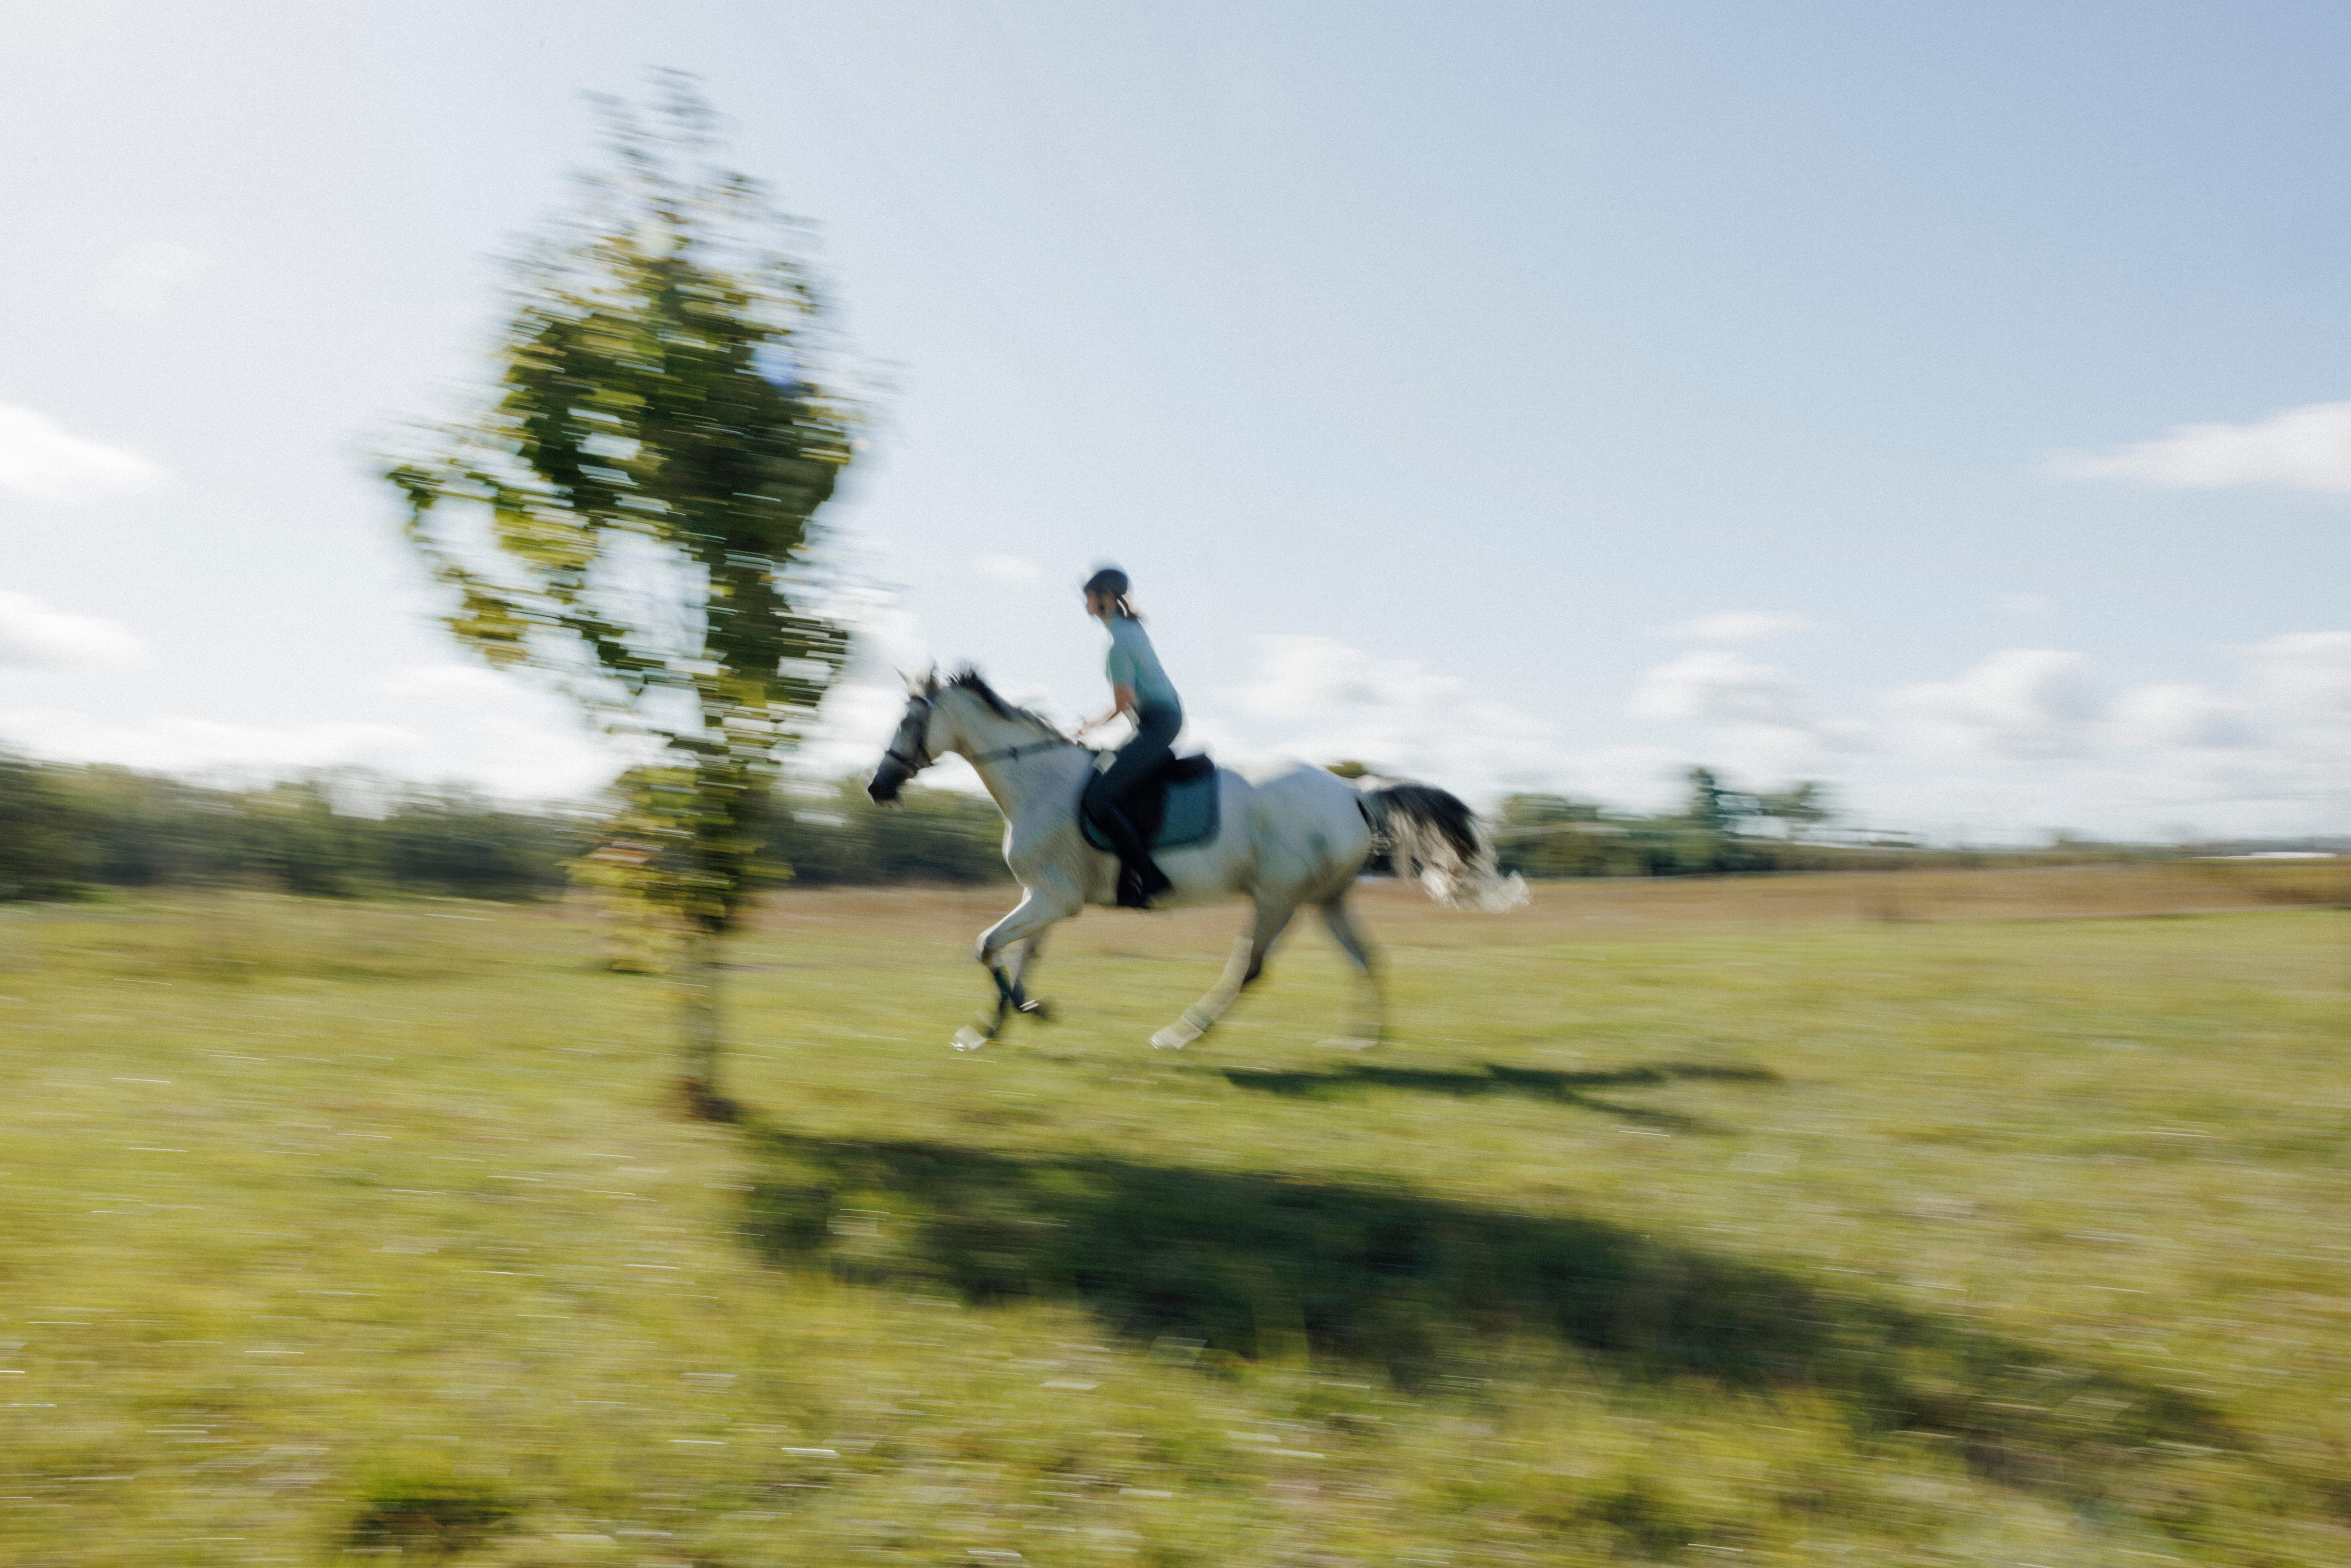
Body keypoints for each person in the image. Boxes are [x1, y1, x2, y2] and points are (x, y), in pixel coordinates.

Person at [1074, 566, 1182, 908]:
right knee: (1101, 775)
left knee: (1097, 800)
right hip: (1153, 723)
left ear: (1105, 599)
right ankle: (1123, 879)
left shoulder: (1118, 645)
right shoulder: (1128, 630)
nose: (1084, 601)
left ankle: (1151, 875)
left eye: (1089, 594)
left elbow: (1124, 705)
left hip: (1157, 724)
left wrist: (1085, 727)